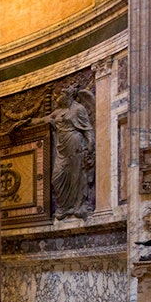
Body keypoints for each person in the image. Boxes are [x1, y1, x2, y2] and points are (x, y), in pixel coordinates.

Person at [33, 88, 94, 219]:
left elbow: (88, 129)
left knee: (76, 175)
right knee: (57, 178)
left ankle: (78, 206)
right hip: (61, 147)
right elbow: (42, 120)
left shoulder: (78, 109)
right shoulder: (58, 111)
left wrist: (90, 146)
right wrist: (26, 122)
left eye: (61, 94)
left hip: (75, 143)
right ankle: (64, 207)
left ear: (69, 95)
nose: (58, 97)